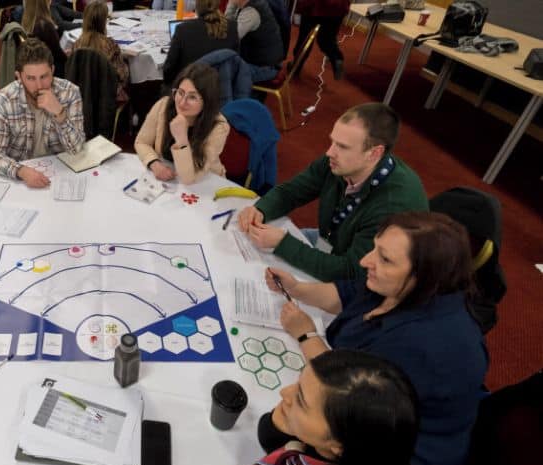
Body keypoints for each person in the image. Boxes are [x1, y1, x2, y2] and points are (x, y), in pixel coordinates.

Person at [265, 211, 488, 465]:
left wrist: (306, 334)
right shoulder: (408, 286)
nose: (365, 261)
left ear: (423, 274)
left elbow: (345, 393)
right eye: (374, 248)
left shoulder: (425, 345)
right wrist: (297, 289)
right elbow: (347, 294)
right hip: (361, 414)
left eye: (384, 259)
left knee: (271, 430)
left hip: (392, 459)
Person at [237, 102, 427, 281]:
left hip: (361, 276)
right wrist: (261, 209)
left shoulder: (393, 205)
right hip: (331, 239)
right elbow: (292, 191)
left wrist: (282, 244)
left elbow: (351, 271)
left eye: (342, 146)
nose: (330, 152)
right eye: (333, 142)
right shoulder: (342, 163)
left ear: (375, 153)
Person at [204, 349, 418, 465]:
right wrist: (290, 415)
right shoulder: (375, 456)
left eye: (301, 401)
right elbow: (269, 435)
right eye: (298, 384)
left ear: (339, 445)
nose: (285, 393)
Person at [0, 38, 84, 188]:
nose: (39, 86)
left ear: (53, 71)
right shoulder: (3, 102)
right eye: (30, 78)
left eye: (44, 76)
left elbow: (77, 149)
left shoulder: (70, 93)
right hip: (20, 179)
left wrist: (60, 113)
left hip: (60, 174)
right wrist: (21, 171)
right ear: (19, 76)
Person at [134, 62, 229, 185]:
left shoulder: (219, 127)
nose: (182, 102)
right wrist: (154, 163)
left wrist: (182, 140)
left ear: (207, 101)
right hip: (169, 180)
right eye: (180, 92)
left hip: (204, 184)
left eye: (192, 97)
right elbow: (142, 142)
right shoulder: (164, 106)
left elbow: (189, 177)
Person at [163, 0, 238, 87]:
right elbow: (235, 63)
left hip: (190, 88)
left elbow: (168, 70)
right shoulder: (233, 27)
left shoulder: (183, 29)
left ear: (197, 6)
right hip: (223, 88)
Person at [73, 0, 129, 102]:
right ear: (103, 22)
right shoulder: (110, 44)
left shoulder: (77, 44)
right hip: (107, 96)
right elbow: (122, 75)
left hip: (83, 95)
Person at [224, 0, 285, 88]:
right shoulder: (254, 4)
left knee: (222, 71)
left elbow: (229, 38)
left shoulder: (251, 12)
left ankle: (237, 100)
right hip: (267, 61)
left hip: (264, 68)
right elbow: (230, 27)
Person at [292, 0, 351, 80]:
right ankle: (336, 58)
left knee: (305, 39)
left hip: (315, 5)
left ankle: (296, 67)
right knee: (327, 40)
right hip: (338, 6)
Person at [21, 0, 68, 76]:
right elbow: (59, 56)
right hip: (52, 69)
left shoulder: (27, 21)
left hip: (36, 65)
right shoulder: (45, 26)